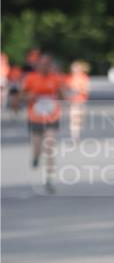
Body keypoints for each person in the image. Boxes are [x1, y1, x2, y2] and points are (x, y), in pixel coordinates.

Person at [20, 53, 69, 192]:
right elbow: (22, 96)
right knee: (37, 146)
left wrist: (61, 95)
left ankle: (49, 179)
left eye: (48, 64)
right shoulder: (31, 78)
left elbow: (64, 96)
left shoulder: (56, 78)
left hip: (51, 117)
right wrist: (30, 96)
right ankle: (35, 157)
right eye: (42, 64)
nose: (45, 67)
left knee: (49, 146)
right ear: (38, 65)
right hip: (35, 117)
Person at [65, 60, 91, 140]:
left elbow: (87, 89)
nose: (75, 70)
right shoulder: (69, 78)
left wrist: (78, 90)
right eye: (74, 68)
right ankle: (75, 135)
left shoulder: (84, 78)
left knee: (80, 119)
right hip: (73, 101)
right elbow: (65, 89)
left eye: (77, 69)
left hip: (81, 100)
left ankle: (77, 130)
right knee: (74, 118)